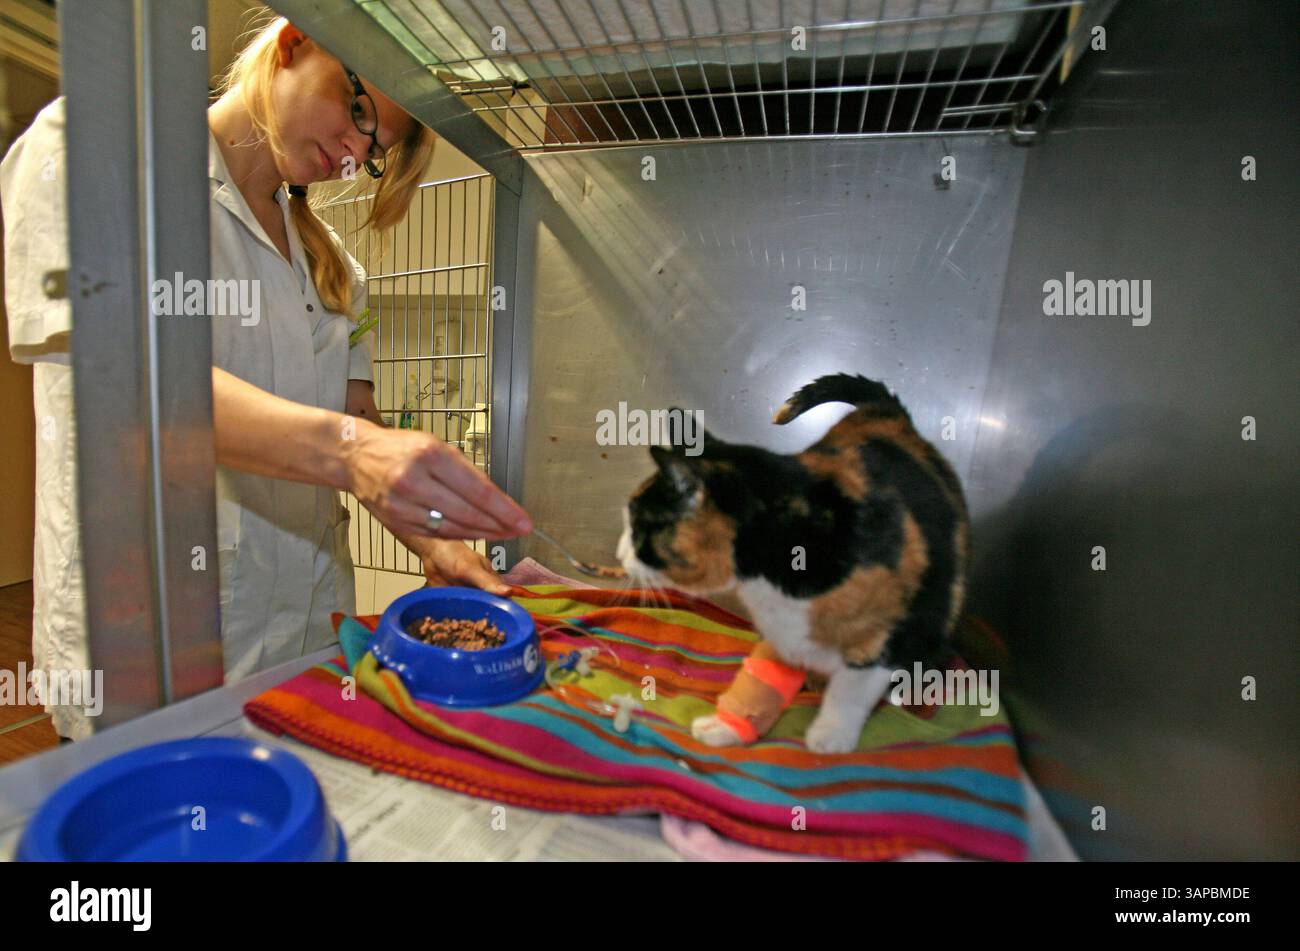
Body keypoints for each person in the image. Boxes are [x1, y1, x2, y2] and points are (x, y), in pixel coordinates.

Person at [0, 16, 532, 742]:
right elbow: (128, 384)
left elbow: (356, 416)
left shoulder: (332, 267)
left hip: (303, 628)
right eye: (358, 112)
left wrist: (438, 541)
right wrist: (350, 454)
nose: (353, 154)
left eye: (373, 152)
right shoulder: (97, 149)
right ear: (293, 42)